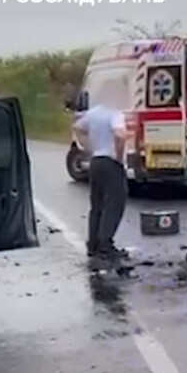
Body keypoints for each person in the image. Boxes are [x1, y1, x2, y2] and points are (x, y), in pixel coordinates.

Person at [72, 78, 129, 260]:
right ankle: (106, 245)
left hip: (95, 161)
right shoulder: (115, 114)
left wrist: (88, 146)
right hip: (110, 162)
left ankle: (93, 244)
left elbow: (77, 127)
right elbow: (119, 135)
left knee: (97, 205)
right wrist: (119, 157)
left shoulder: (93, 113)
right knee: (114, 204)